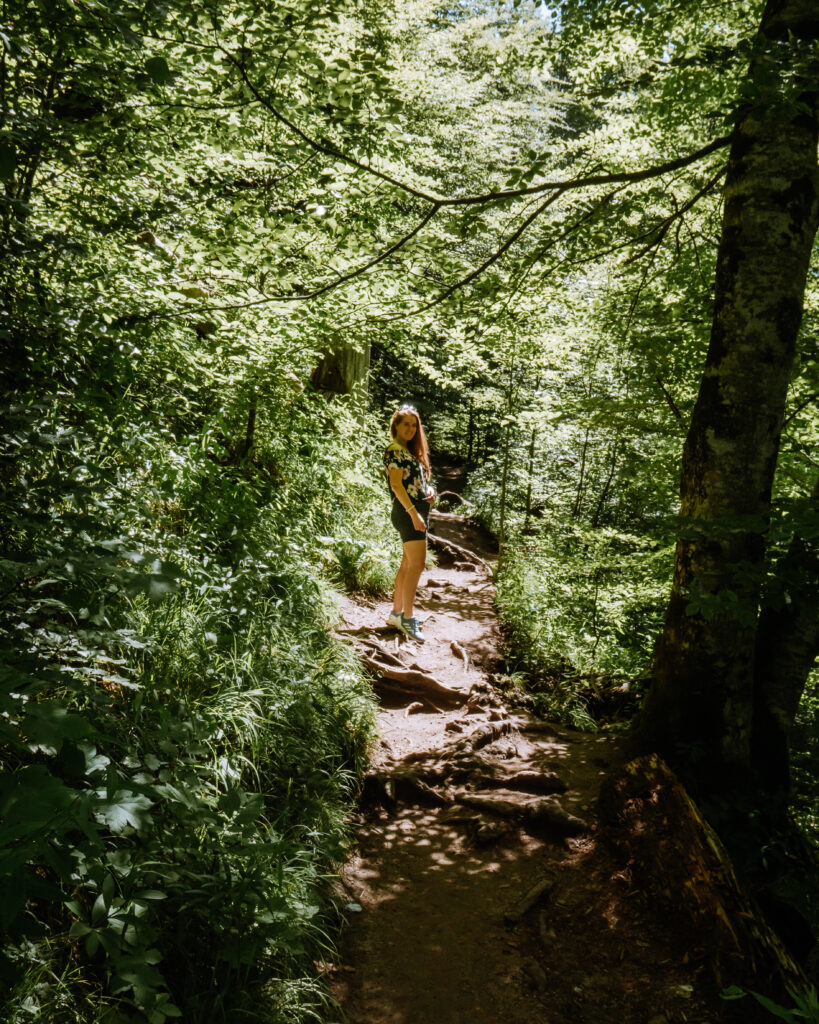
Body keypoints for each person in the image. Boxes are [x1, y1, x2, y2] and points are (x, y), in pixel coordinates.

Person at [383, 404, 436, 641]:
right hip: (407, 513)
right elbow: (396, 485)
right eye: (406, 424)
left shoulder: (408, 452)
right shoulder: (394, 451)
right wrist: (414, 513)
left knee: (407, 565)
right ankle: (408, 618)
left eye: (414, 425)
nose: (411, 429)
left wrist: (430, 490)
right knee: (416, 565)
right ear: (396, 425)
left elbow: (415, 482)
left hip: (414, 511)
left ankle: (396, 614)